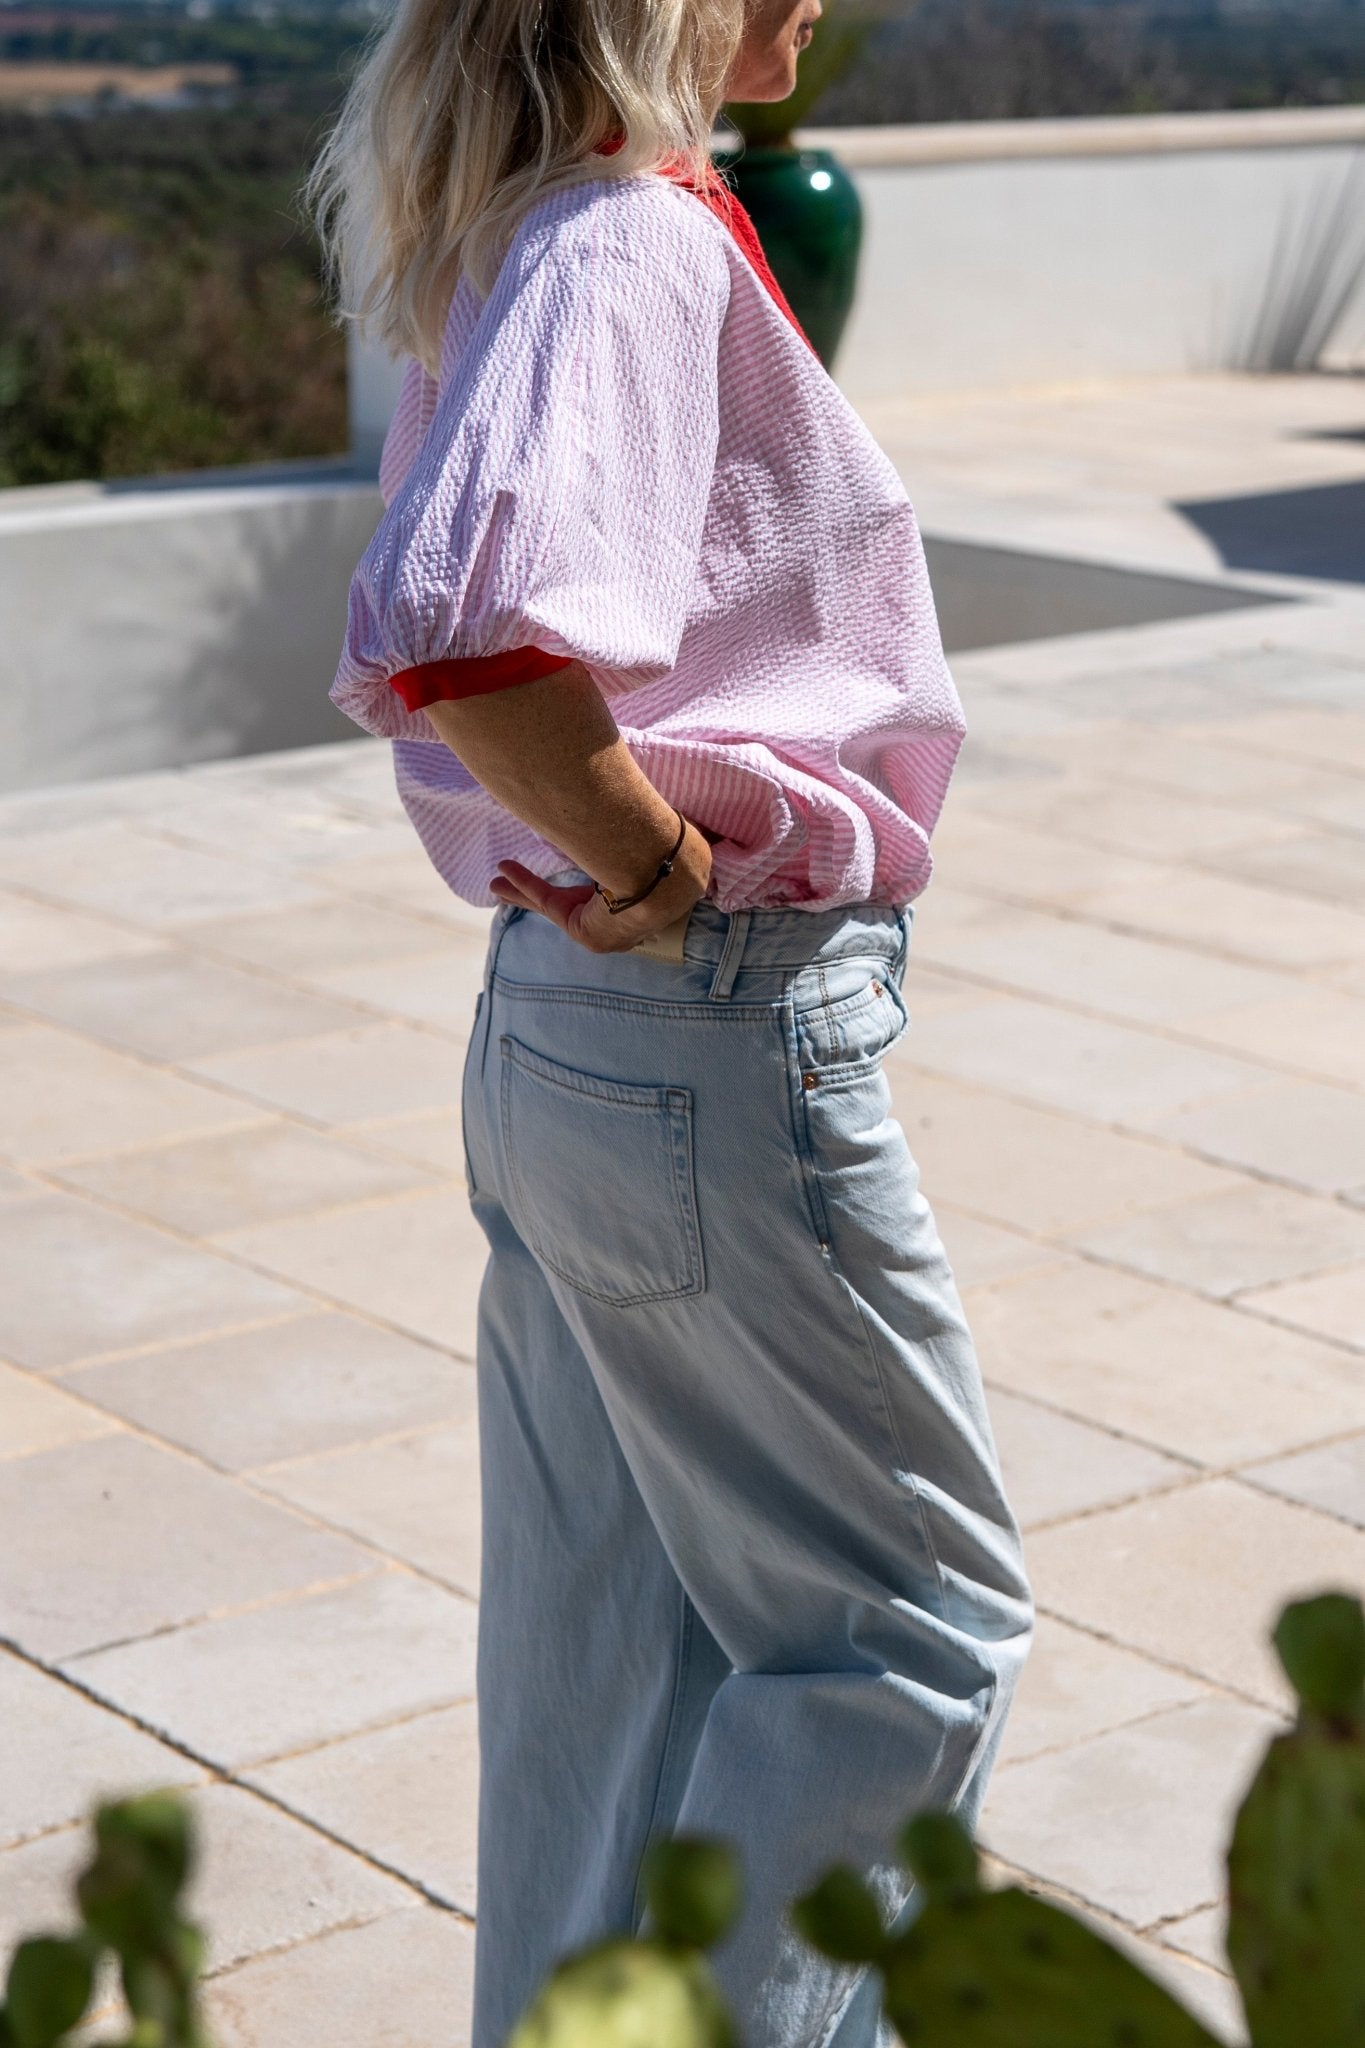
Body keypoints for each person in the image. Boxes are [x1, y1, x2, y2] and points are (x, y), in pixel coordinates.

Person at [310, 0, 1032, 2034]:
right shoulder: (621, 235)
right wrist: (652, 867)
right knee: (913, 1626)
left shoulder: (543, 228)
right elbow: (464, 632)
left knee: (619, 1652)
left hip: (588, 1043)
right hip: (692, 1028)